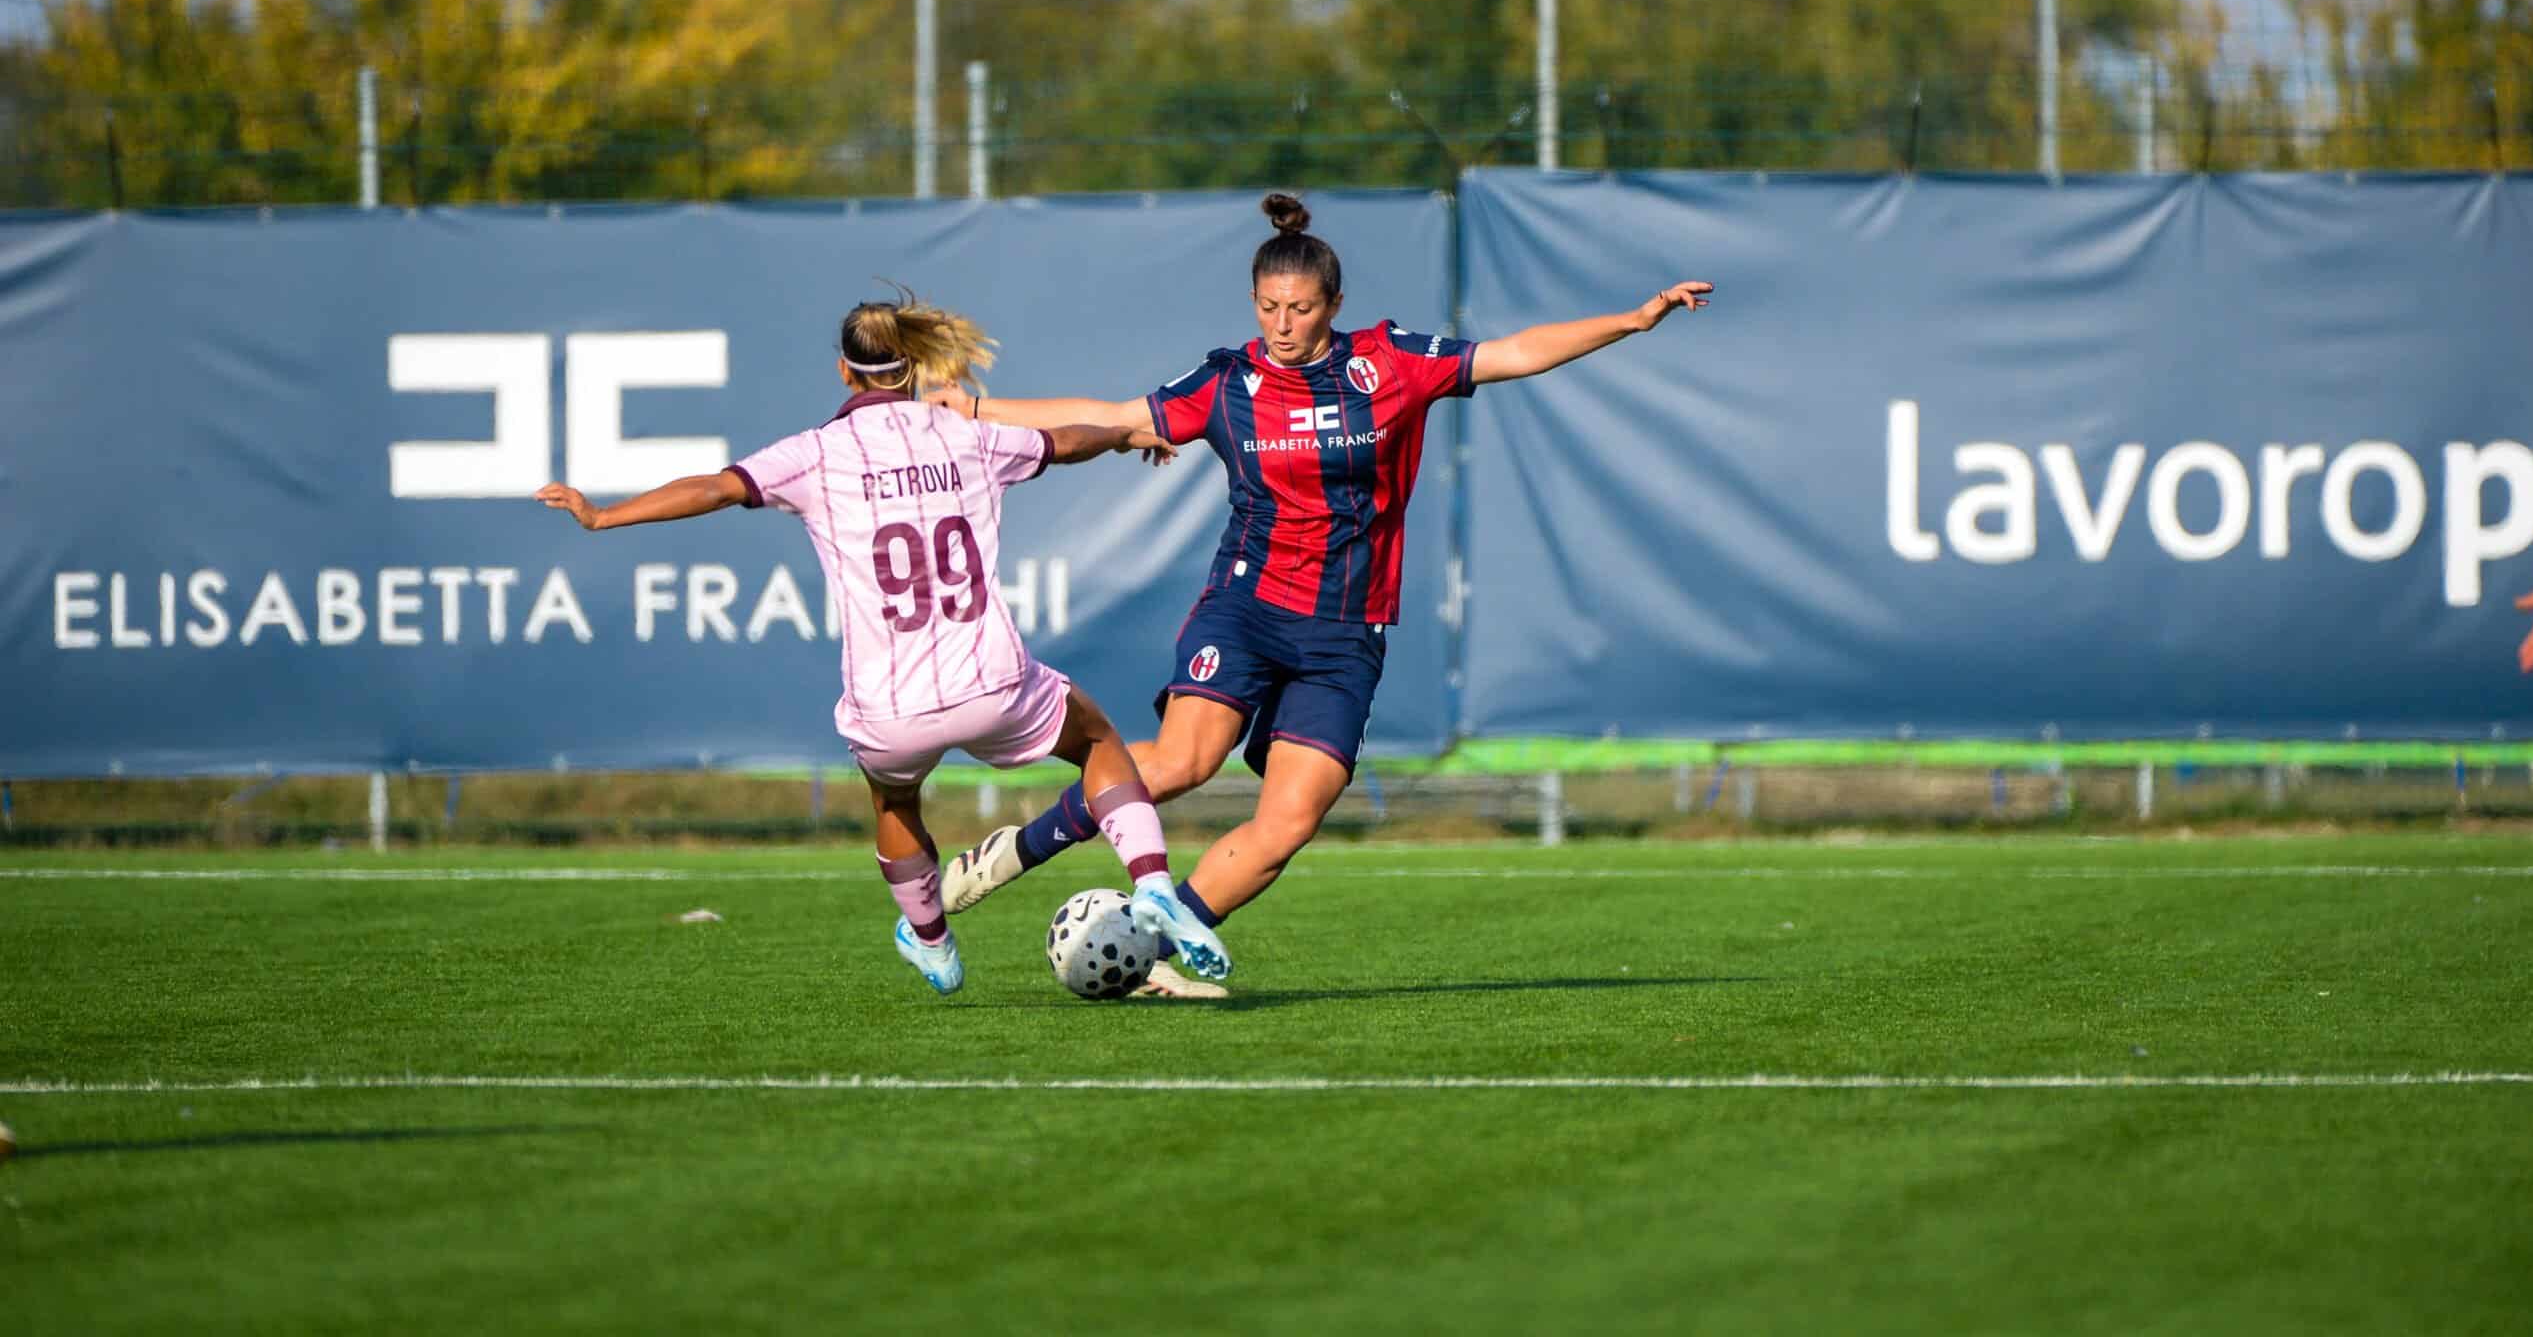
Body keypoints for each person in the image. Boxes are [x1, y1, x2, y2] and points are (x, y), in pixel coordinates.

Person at [933, 192, 1711, 968]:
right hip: (1246, 605)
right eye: (1269, 307)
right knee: (1183, 763)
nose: (1282, 324)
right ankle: (1015, 851)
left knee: (1291, 823)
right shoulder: (1229, 381)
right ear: (1253, 302)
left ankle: (1159, 963)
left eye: (1300, 309)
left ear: (1333, 304)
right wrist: (975, 409)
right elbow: (1107, 416)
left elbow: (1514, 351)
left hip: (1344, 632)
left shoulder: (1390, 364)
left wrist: (1631, 321)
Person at [532, 290, 1231, 998]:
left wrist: (604, 516)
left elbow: (714, 488)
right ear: (910, 367)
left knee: (895, 804)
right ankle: (1153, 885)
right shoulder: (964, 434)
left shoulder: (815, 454)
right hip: (991, 681)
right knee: (1100, 745)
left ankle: (931, 942)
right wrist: (1124, 436)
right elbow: (1067, 441)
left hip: (891, 706)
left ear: (845, 372)